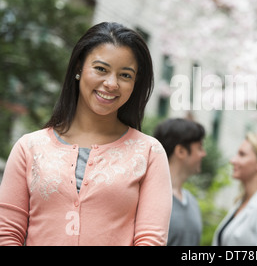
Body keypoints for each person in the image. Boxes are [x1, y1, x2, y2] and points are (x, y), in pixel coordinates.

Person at [0, 22, 172, 246]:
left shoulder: (149, 153)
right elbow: (7, 233)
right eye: (101, 69)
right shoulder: (30, 147)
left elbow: (151, 240)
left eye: (125, 75)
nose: (111, 84)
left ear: (135, 82)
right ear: (79, 68)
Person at [153, 117, 207, 246]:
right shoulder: (150, 199)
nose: (203, 154)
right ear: (181, 151)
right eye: (199, 148)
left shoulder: (192, 202)